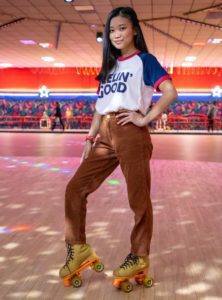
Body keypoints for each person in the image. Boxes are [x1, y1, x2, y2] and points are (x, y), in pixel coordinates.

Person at [59, 6, 177, 283]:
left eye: (121, 28)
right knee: (75, 188)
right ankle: (78, 248)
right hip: (105, 134)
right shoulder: (109, 67)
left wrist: (144, 118)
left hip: (130, 133)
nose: (115, 34)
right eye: (111, 30)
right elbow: (100, 108)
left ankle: (139, 256)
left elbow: (170, 92)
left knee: (138, 200)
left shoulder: (145, 61)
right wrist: (90, 138)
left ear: (134, 29)